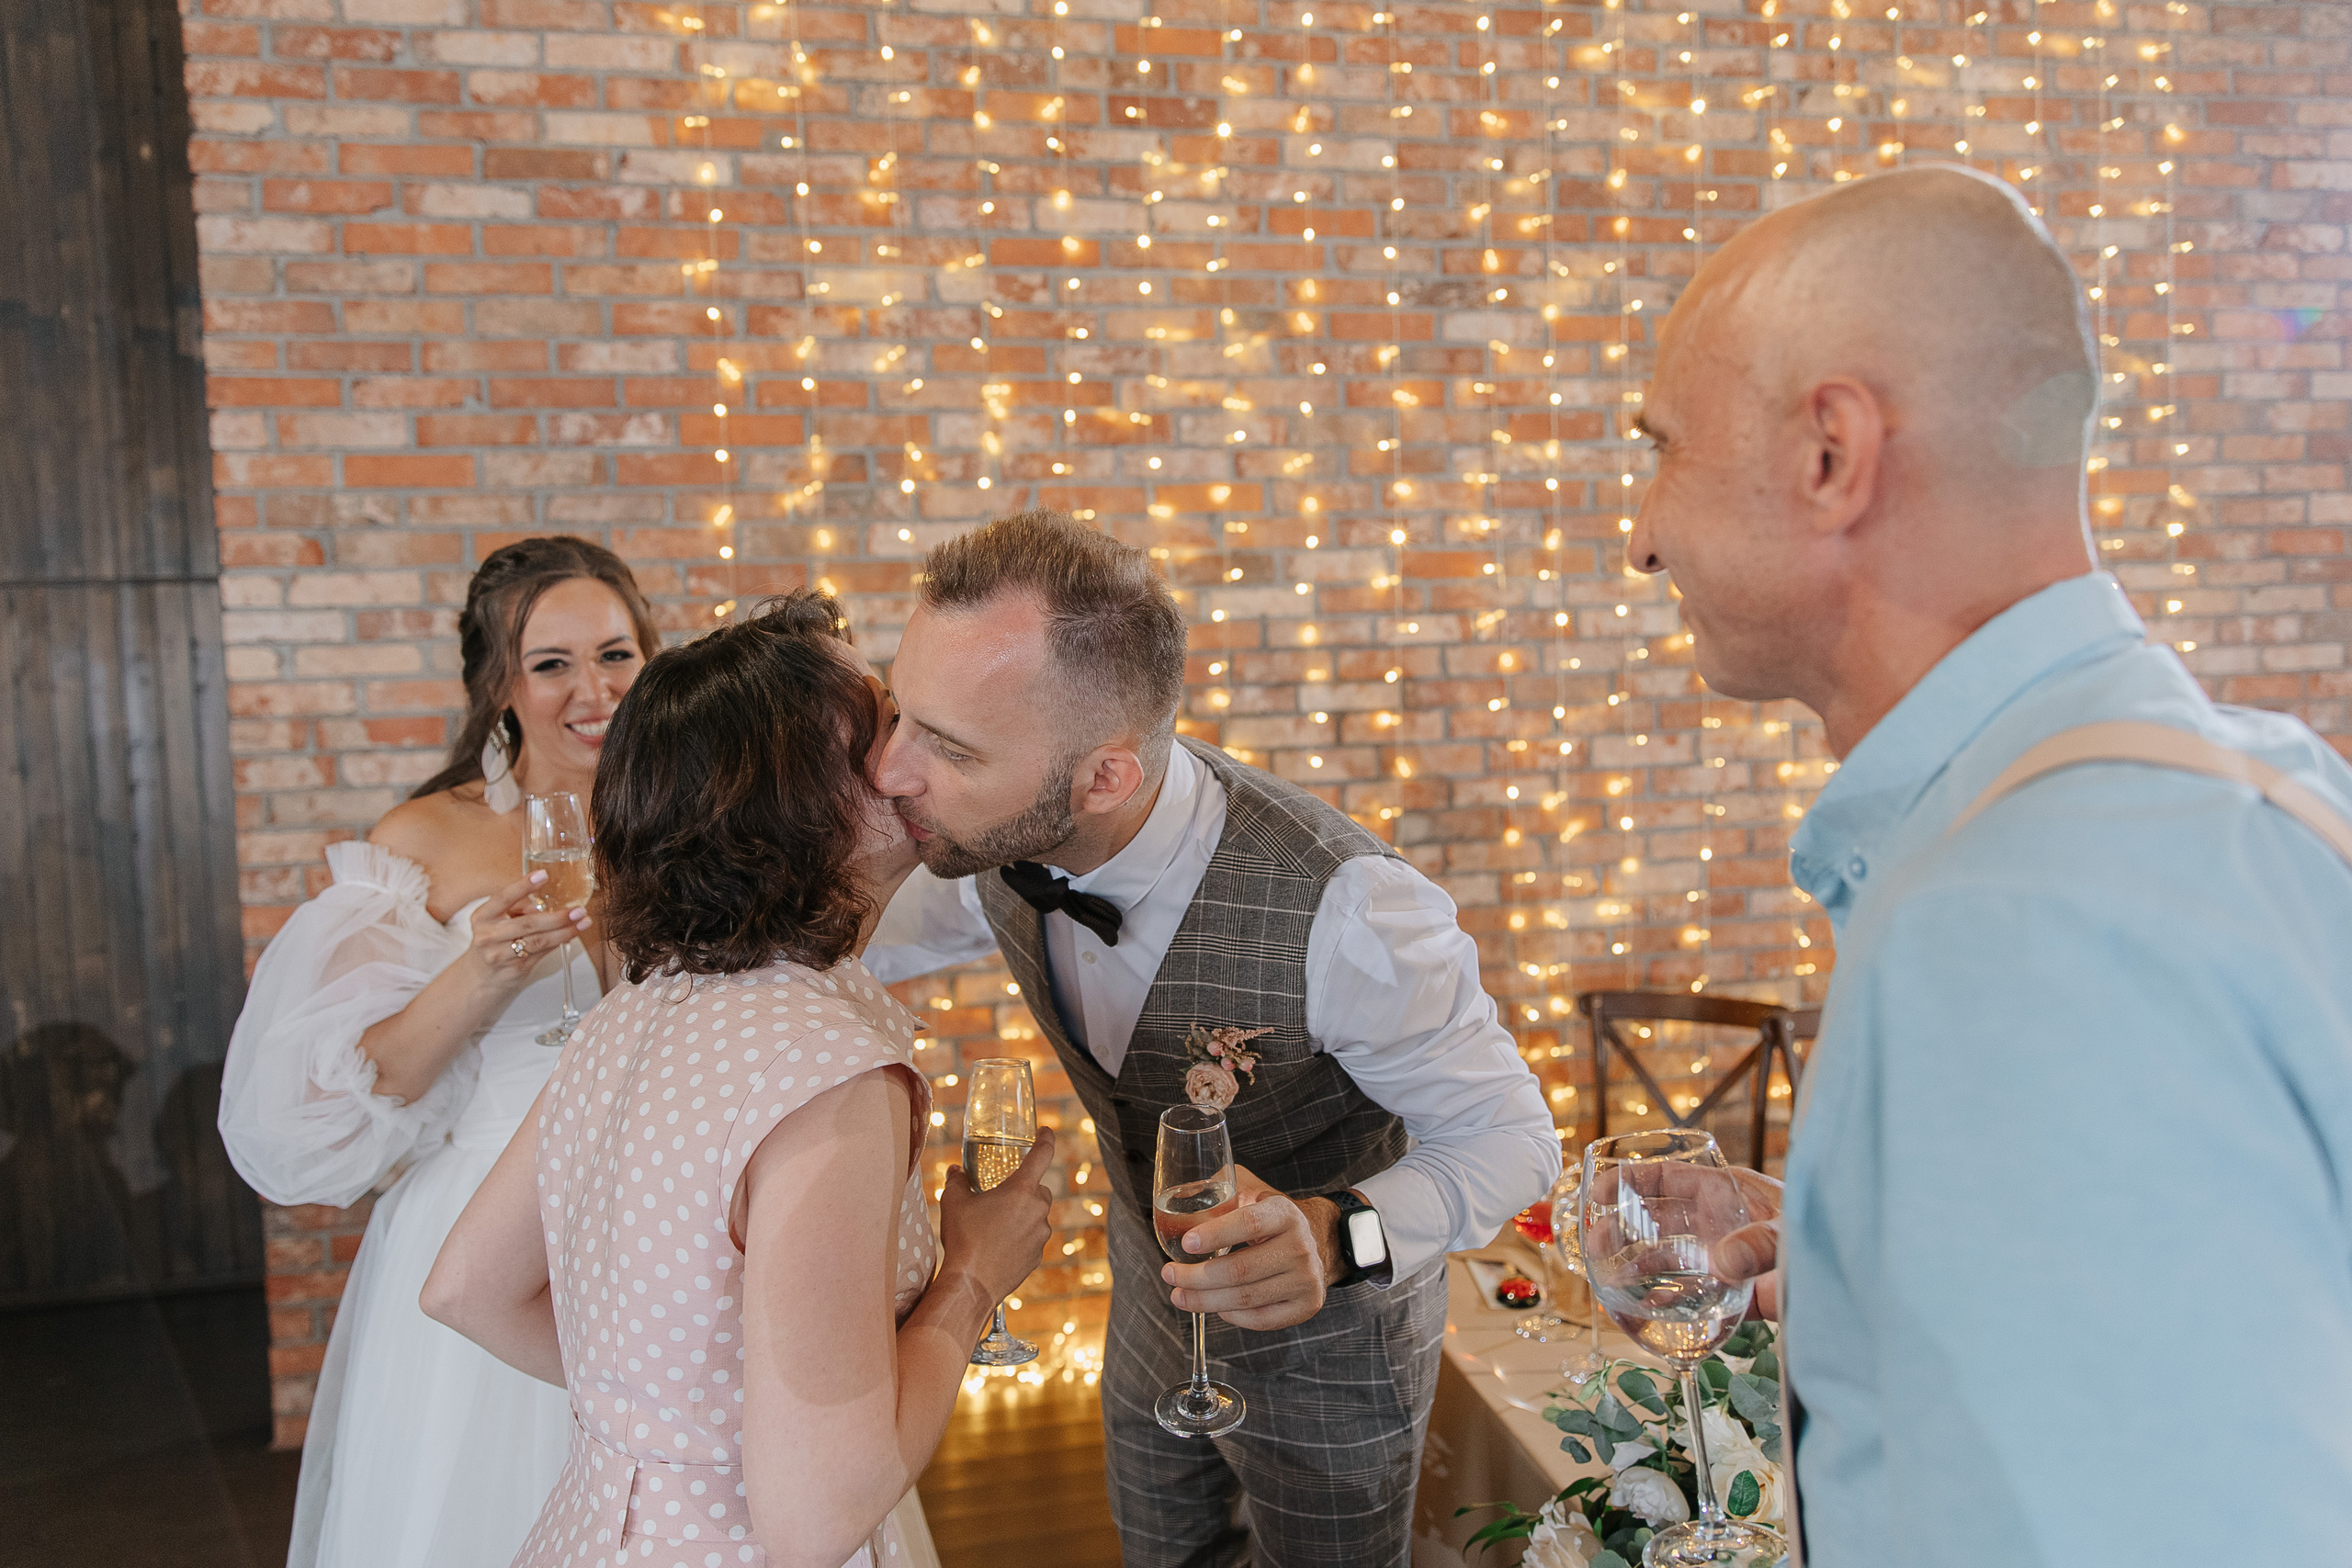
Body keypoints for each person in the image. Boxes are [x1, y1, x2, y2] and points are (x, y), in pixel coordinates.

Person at [1633, 165, 2352, 1563]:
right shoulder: (2256, 785)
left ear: (1830, 453)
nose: (1642, 531)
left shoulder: (2017, 925)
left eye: (1660, 446)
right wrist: (1862, 1249)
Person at [863, 512, 1560, 1568]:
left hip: (1332, 1359)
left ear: (1104, 779)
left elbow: (1512, 1139)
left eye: (948, 746)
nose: (890, 769)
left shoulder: (1351, 911)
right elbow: (858, 947)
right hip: (1146, 1317)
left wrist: (1340, 1236)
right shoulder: (985, 833)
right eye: (898, 712)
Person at [422, 590, 1053, 1568]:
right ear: (788, 803)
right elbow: (814, 1523)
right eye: (884, 730)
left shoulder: (637, 1004)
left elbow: (468, 1288)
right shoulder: (826, 1073)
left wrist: (679, 1436)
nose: (908, 762)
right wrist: (975, 1276)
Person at [219, 536, 659, 1568]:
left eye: (616, 654)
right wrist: (483, 976)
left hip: (657, 1214)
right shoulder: (423, 841)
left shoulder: (681, 823)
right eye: (550, 664)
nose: (591, 690)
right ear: (497, 685)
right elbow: (341, 1094)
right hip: (486, 1243)